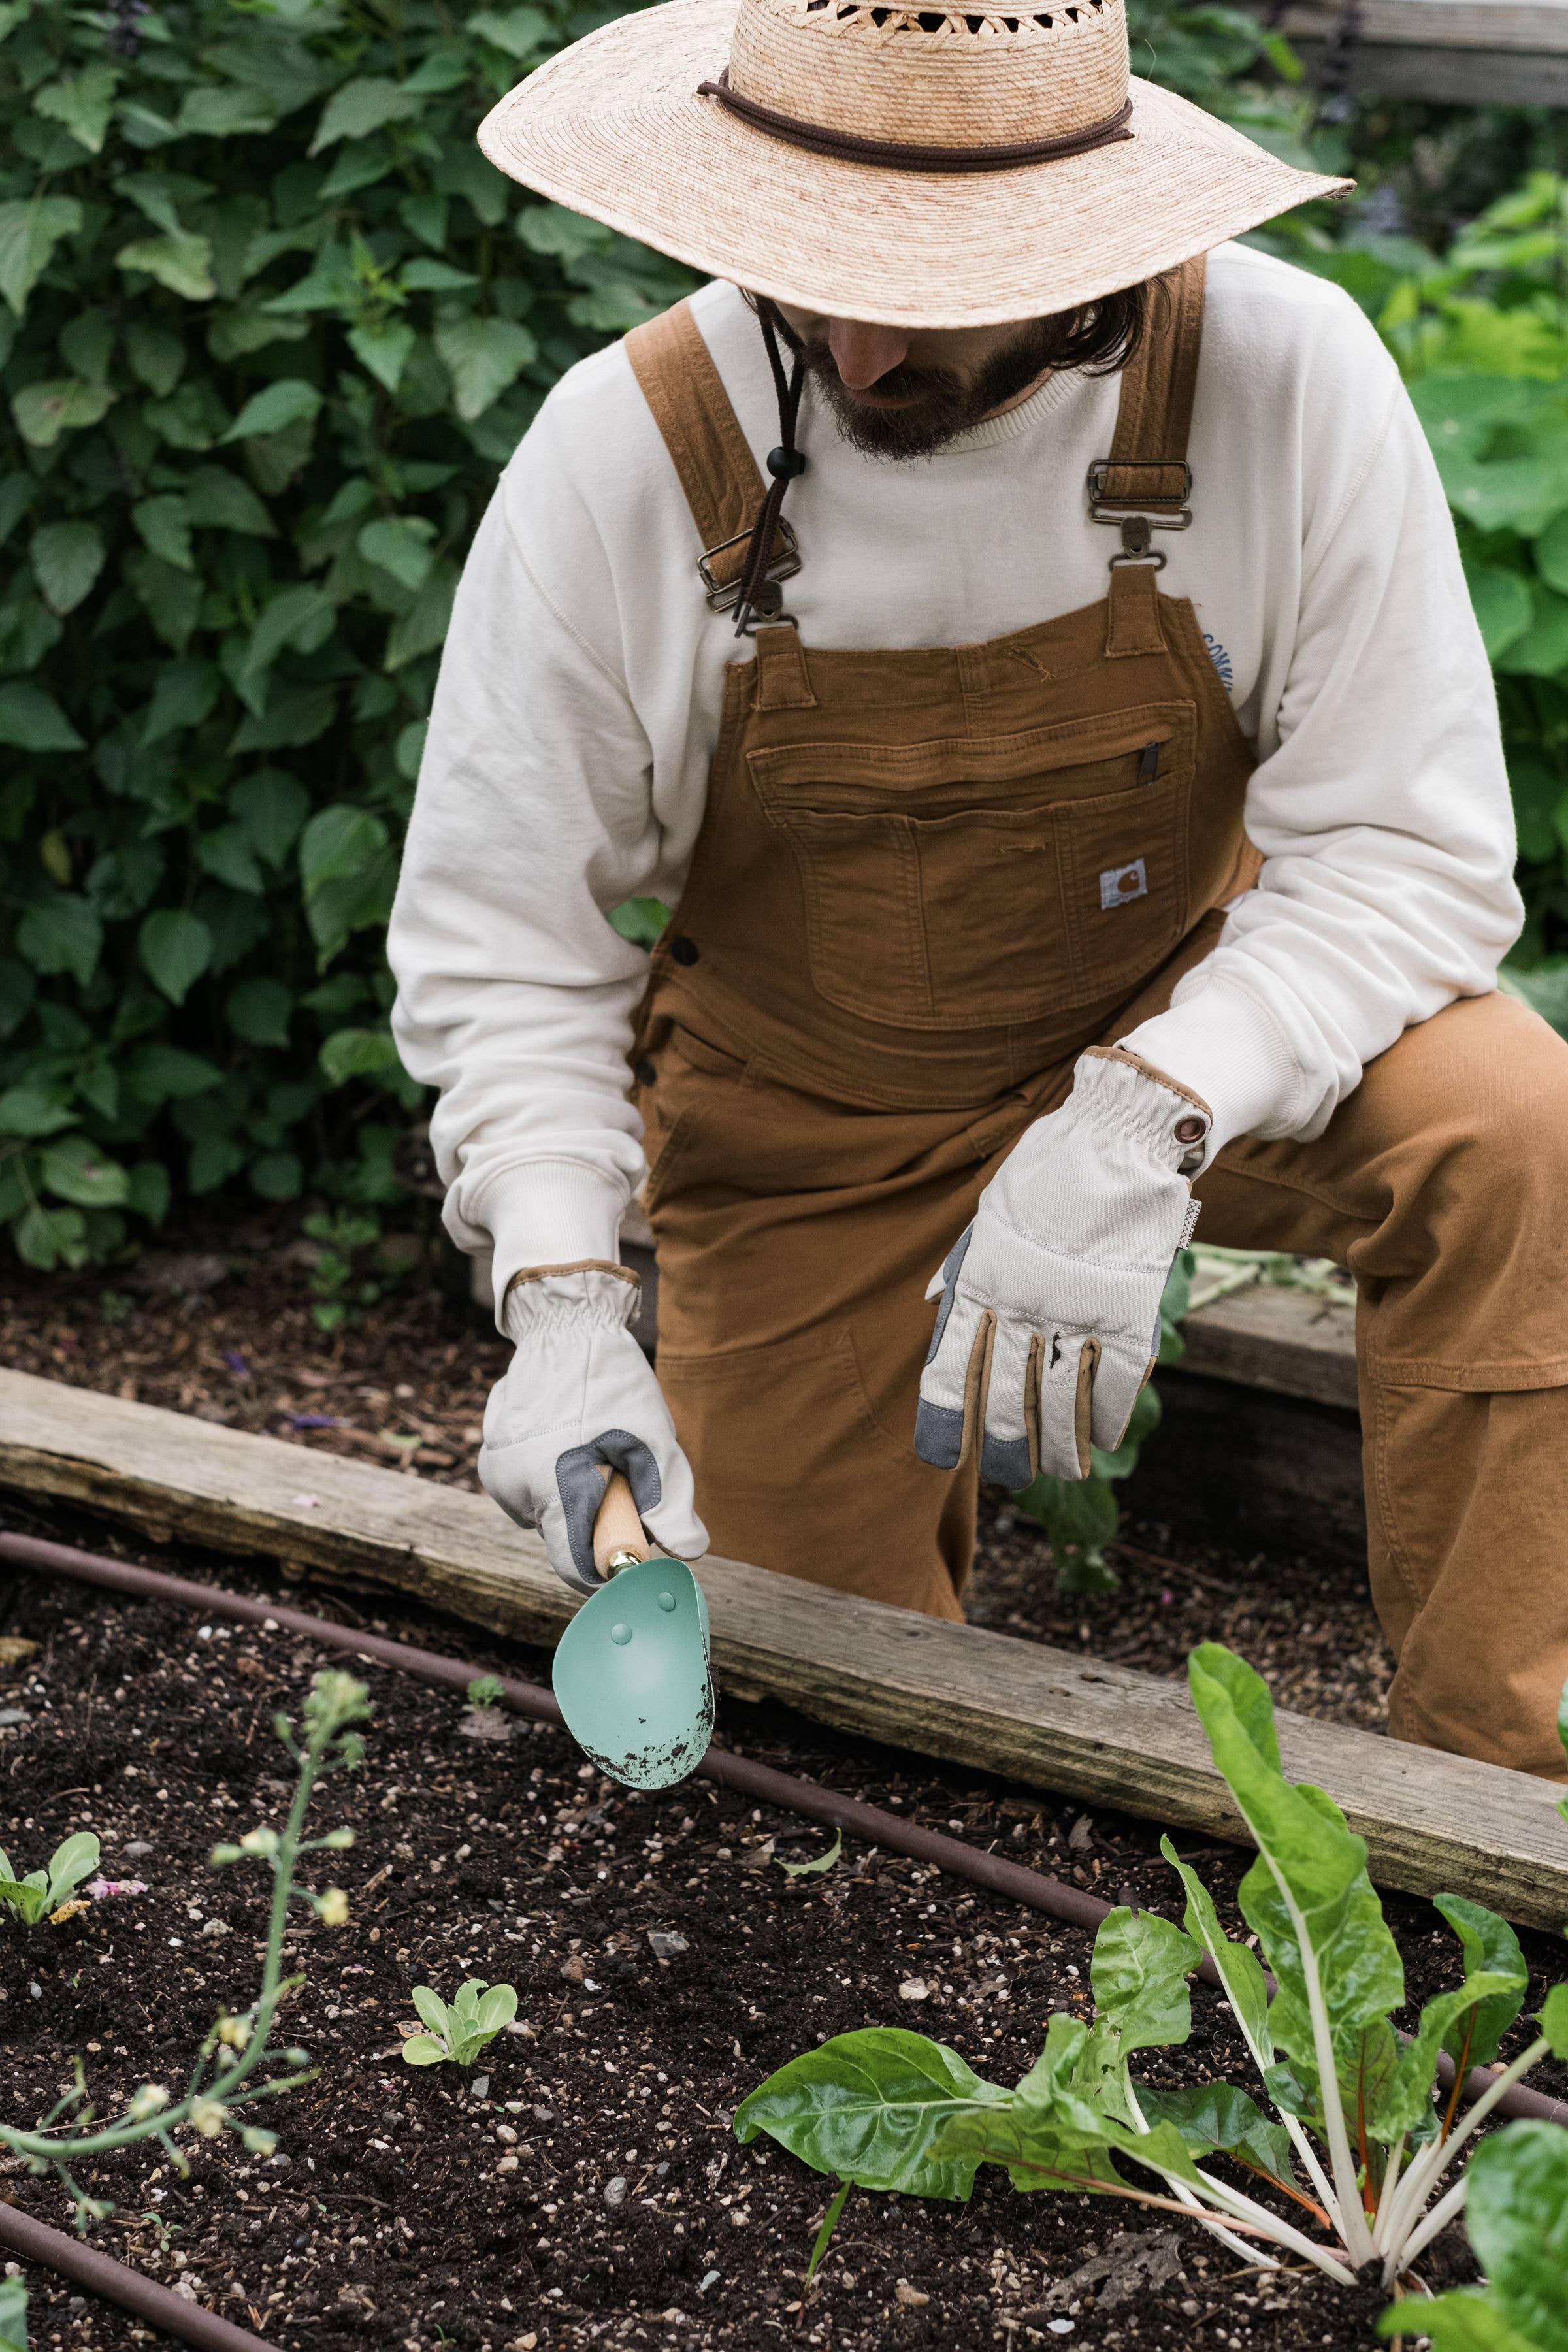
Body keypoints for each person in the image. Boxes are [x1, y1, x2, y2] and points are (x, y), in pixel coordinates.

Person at [388, 0, 1568, 1778]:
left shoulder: (1282, 378)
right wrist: (562, 1302)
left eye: (930, 286)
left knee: (1514, 1137)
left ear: (1088, 232)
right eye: (805, 270)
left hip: (1191, 1017)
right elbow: (509, 953)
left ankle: (1506, 1802)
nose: (859, 357)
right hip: (810, 1124)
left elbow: (1407, 856)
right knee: (830, 1734)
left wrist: (1152, 1111)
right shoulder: (626, 454)